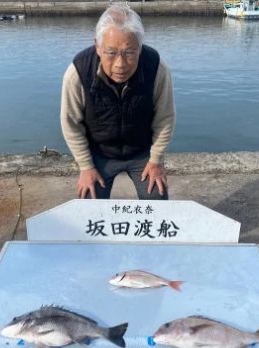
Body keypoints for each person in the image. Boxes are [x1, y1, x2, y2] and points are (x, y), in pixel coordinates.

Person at [60, 3, 176, 200]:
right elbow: (71, 124)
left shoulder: (156, 68)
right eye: (111, 52)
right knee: (89, 201)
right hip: (99, 152)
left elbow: (165, 118)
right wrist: (86, 166)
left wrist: (156, 160)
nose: (120, 64)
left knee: (157, 199)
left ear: (140, 48)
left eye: (130, 52)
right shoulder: (78, 72)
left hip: (141, 150)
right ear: (98, 46)